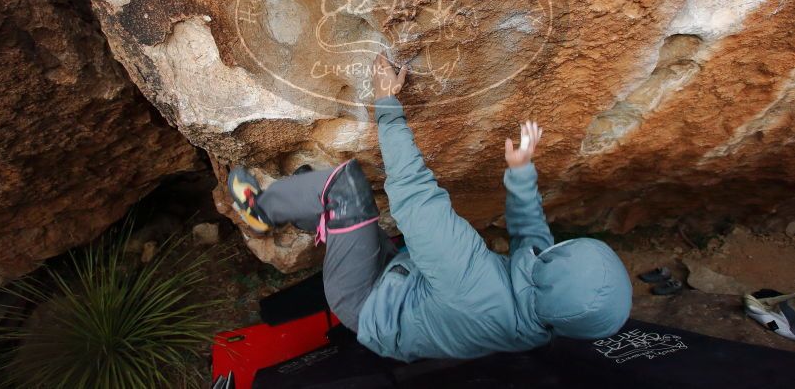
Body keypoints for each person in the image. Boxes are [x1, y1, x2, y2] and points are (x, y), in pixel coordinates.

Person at [228, 53, 632, 362]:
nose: (553, 249)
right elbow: (532, 243)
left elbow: (415, 198)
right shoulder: (543, 314)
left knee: (346, 187)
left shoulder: (475, 284)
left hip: (367, 303)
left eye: (563, 252)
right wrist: (521, 173)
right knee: (345, 208)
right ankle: (316, 212)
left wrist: (387, 102)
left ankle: (259, 213)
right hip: (405, 294)